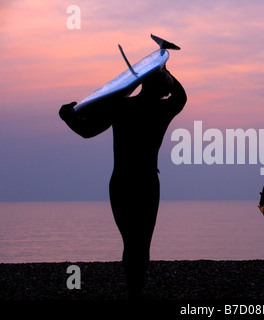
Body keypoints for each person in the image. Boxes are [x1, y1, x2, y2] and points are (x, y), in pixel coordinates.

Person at [59, 68, 187, 299]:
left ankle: (133, 291)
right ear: (163, 89)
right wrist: (164, 65)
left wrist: (67, 116)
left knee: (130, 241)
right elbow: (182, 97)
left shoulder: (121, 106)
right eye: (166, 87)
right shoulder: (162, 109)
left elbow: (86, 130)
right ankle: (136, 292)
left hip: (122, 181)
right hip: (146, 181)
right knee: (141, 242)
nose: (168, 92)